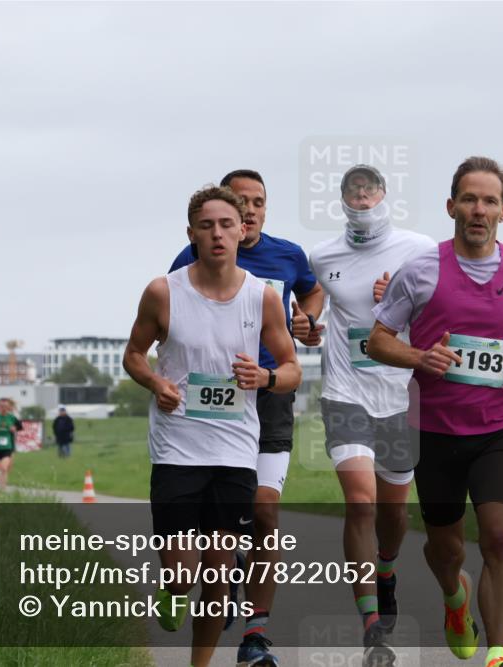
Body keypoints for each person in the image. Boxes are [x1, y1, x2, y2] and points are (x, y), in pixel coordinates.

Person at [367, 156, 503, 667]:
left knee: (499, 537)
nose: (479, 210)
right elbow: (377, 341)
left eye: (489, 201)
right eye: (470, 199)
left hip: (498, 429)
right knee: (447, 551)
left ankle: (498, 653)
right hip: (434, 431)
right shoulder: (421, 271)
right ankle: (455, 600)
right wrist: (420, 356)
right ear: (451, 205)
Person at [124, 184, 301, 667]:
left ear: (243, 231)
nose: (218, 234)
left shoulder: (262, 297)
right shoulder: (164, 291)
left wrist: (265, 376)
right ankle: (172, 591)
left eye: (227, 225)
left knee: (219, 573)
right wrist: (155, 383)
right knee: (184, 574)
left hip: (235, 451)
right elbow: (134, 355)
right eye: (207, 226)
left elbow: (292, 369)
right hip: (178, 447)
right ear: (192, 234)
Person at [168, 169, 324, 666]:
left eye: (258, 201)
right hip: (213, 400)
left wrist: (307, 320)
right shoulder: (193, 255)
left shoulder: (288, 255)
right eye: (241, 201)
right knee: (222, 525)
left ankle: (256, 632)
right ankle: (223, 570)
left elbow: (311, 293)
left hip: (270, 391)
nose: (250, 210)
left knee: (265, 513)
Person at [308, 164, 435, 664]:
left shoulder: (419, 248)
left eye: (369, 189)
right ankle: (369, 623)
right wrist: (306, 326)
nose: (361, 197)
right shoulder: (323, 255)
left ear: (384, 194)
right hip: (345, 390)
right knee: (360, 502)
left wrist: (400, 302)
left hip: (401, 395)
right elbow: (313, 310)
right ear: (342, 199)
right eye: (352, 191)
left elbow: (439, 311)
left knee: (392, 513)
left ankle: (387, 570)